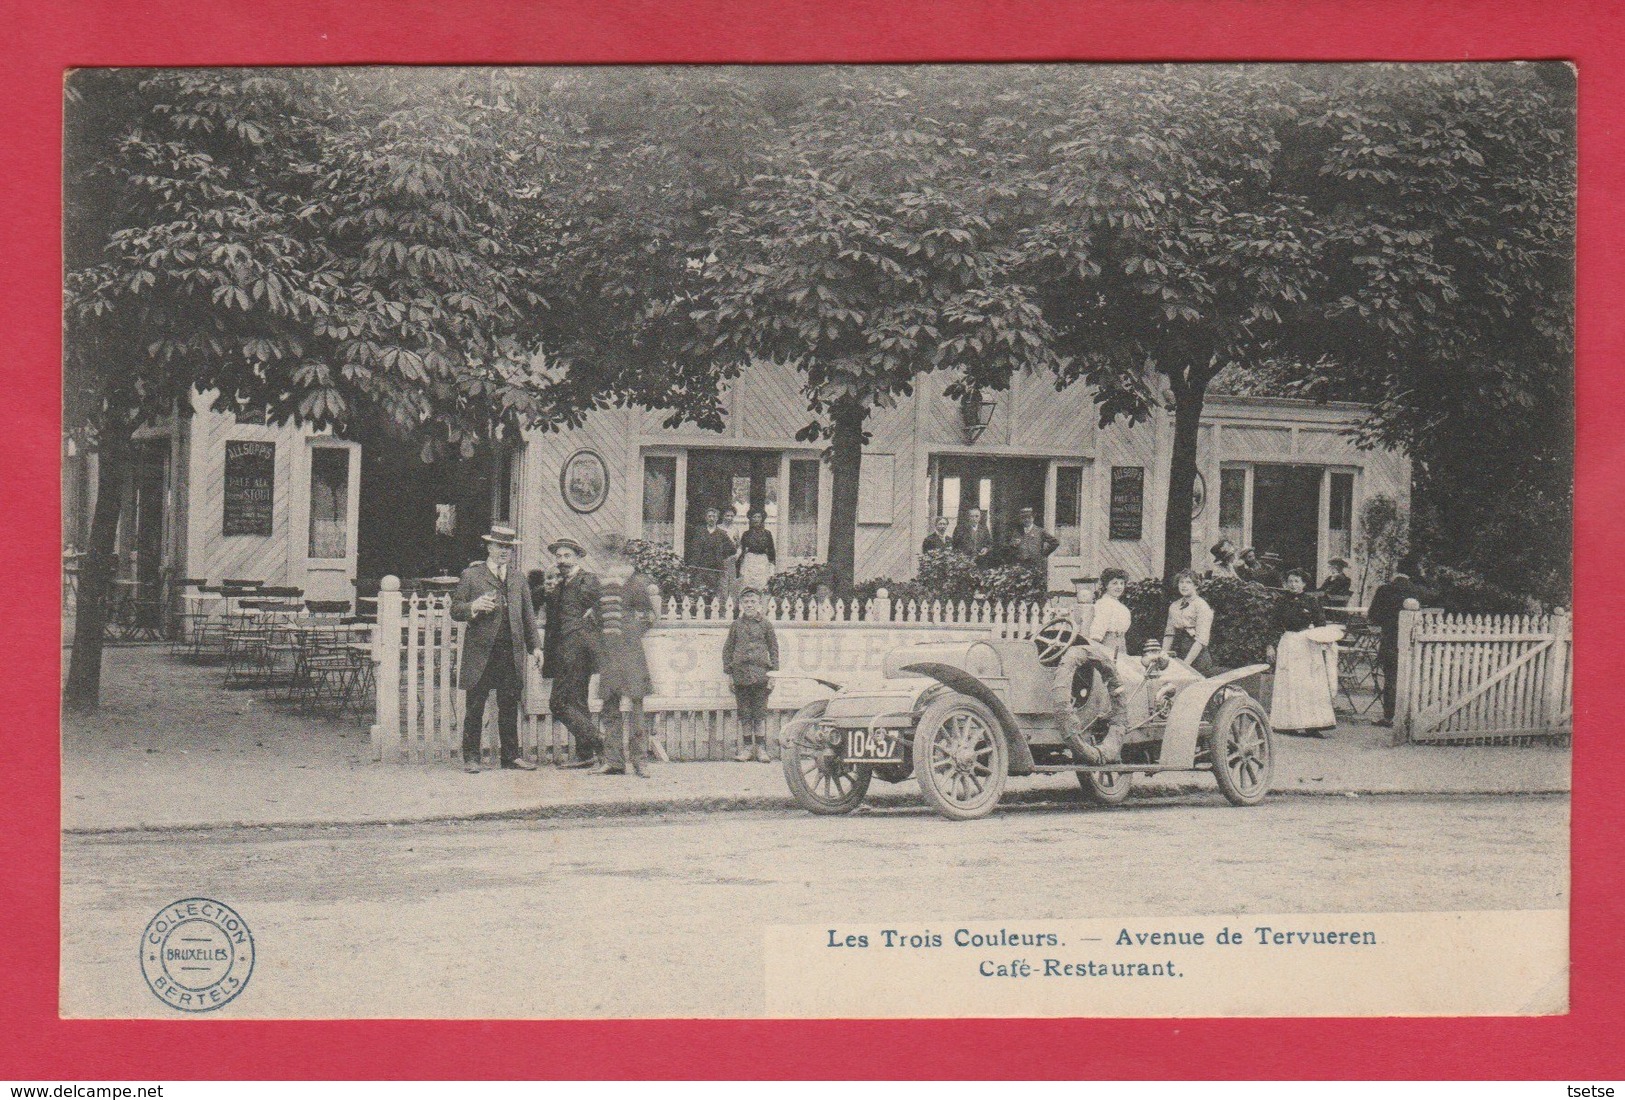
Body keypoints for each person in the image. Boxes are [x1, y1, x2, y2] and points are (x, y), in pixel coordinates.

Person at [449, 525, 541, 774]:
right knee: (475, 706)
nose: (504, 552)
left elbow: (528, 616)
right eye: (500, 546)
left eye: (508, 548)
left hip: (510, 651)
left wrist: (535, 647)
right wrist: (474, 606)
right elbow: (455, 609)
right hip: (481, 652)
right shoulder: (472, 575)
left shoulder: (518, 577)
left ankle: (511, 757)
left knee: (509, 705)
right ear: (489, 547)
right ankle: (471, 757)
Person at [593, 534, 660, 778]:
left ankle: (640, 761)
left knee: (637, 707)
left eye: (616, 553)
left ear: (625, 556)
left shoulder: (636, 583)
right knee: (609, 706)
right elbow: (594, 619)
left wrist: (630, 633)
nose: (612, 558)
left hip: (631, 653)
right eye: (607, 554)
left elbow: (649, 617)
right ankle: (614, 761)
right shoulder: (601, 585)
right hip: (609, 655)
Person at [541, 536, 603, 769]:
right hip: (561, 650)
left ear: (577, 557)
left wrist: (590, 622)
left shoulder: (587, 580)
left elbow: (600, 607)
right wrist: (550, 589)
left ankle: (596, 739)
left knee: (558, 703)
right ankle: (586, 754)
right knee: (577, 702)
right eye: (558, 556)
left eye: (567, 555)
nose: (562, 560)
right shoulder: (560, 583)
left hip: (579, 650)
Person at [1268, 568, 1337, 736]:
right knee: (1290, 682)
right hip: (1289, 643)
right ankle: (1288, 724)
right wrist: (1270, 645)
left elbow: (1321, 623)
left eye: (1296, 581)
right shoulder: (1281, 602)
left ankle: (1312, 725)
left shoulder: (1312, 601)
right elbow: (1273, 626)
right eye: (1290, 581)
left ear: (1304, 584)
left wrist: (1320, 639)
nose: (1292, 585)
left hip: (1307, 644)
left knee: (1309, 683)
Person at [1367, 556, 1427, 726]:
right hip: (1415, 643)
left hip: (1390, 641)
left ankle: (1389, 717)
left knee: (1391, 679)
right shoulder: (1418, 591)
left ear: (1397, 571)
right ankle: (1412, 717)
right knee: (1414, 678)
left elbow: (1374, 617)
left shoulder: (1384, 590)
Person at [724, 588, 779, 763]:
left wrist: (774, 675)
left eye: (753, 601)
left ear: (759, 604)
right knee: (745, 714)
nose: (749, 605)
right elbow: (727, 650)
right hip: (740, 676)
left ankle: (761, 749)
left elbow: (774, 649)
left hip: (761, 676)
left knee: (759, 713)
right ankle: (747, 748)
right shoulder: (736, 625)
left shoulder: (766, 624)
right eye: (746, 602)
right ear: (741, 605)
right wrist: (729, 674)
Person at [1162, 568, 1215, 674]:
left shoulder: (1201, 606)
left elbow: (1201, 640)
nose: (1184, 585)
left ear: (1196, 585)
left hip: (1197, 657)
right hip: (1178, 654)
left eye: (1188, 582)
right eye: (1181, 582)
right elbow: (1169, 634)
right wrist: (1162, 656)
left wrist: (1186, 664)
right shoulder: (1174, 606)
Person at [688, 506, 736, 594]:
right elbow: (694, 548)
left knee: (713, 592)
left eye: (714, 516)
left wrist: (721, 555)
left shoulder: (721, 533)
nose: (711, 518)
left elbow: (732, 549)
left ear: (717, 518)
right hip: (700, 566)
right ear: (706, 518)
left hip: (715, 568)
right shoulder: (699, 531)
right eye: (709, 516)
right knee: (698, 591)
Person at [1088, 567, 1133, 658]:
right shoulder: (1104, 603)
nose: (1119, 587)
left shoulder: (1119, 605)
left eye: (1122, 583)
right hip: (1108, 644)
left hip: (1121, 644)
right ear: (1106, 585)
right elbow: (1099, 626)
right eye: (1114, 583)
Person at [736, 509, 776, 593]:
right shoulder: (746, 534)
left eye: (759, 517)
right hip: (750, 560)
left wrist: (772, 566)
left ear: (762, 519)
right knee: (748, 584)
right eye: (754, 517)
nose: (756, 519)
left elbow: (771, 550)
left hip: (762, 560)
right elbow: (741, 551)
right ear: (750, 519)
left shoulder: (767, 534)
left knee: (762, 584)